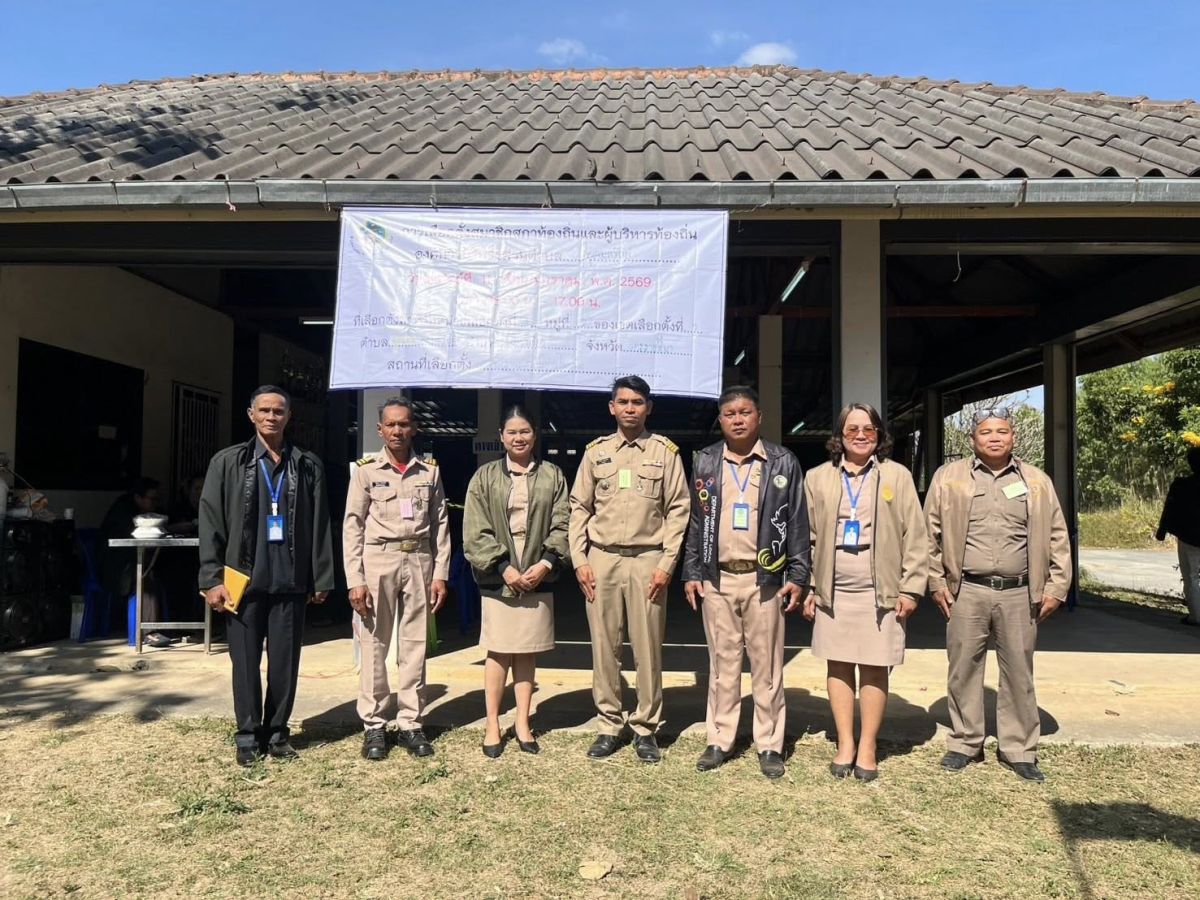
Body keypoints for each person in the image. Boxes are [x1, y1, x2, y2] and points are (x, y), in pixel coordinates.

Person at [925, 407, 1071, 783]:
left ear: (1013, 438)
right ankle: (964, 743)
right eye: (986, 432)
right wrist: (936, 582)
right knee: (963, 668)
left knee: (1019, 671)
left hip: (1019, 593)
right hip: (966, 590)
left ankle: (1019, 749)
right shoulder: (949, 478)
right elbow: (930, 535)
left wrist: (1057, 586)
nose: (994, 438)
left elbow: (1057, 535)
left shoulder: (1035, 480)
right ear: (972, 440)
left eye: (1002, 431)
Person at [199, 385, 335, 767]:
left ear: (288, 417)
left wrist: (321, 575)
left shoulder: (307, 464)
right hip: (242, 582)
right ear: (251, 414)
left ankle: (277, 734)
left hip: (290, 582)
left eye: (278, 411)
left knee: (284, 663)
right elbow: (210, 523)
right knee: (243, 663)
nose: (271, 417)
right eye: (264, 410)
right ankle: (247, 735)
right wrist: (212, 578)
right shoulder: (228, 463)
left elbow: (320, 523)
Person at [681, 386, 810, 779]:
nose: (737, 419)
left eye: (745, 412)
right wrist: (691, 571)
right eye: (729, 414)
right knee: (722, 666)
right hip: (718, 578)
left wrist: (799, 574)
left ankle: (769, 743)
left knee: (767, 666)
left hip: (764, 580)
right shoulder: (705, 462)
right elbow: (695, 522)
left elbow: (797, 522)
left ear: (759, 417)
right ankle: (720, 739)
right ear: (720, 420)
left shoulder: (782, 462)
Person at [802, 403, 927, 782]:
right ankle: (845, 743)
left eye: (868, 429)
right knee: (837, 664)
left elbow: (916, 536)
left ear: (879, 435)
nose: (860, 435)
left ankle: (868, 746)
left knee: (875, 666)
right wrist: (809, 585)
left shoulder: (897, 476)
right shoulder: (818, 477)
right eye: (852, 429)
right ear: (839, 435)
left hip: (880, 591)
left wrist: (911, 588)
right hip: (834, 589)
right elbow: (806, 538)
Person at [569, 375, 689, 762]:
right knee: (604, 646)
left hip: (648, 560)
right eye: (623, 402)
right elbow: (579, 508)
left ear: (648, 407)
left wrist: (668, 563)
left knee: (648, 647)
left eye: (638, 402)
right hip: (601, 559)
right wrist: (580, 559)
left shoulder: (665, 453)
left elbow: (678, 510)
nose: (630, 408)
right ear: (612, 408)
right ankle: (608, 724)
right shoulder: (596, 453)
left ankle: (646, 727)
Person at [344, 396, 450, 761]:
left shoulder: (429, 471)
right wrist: (355, 579)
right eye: (391, 424)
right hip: (379, 560)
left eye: (404, 424)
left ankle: (410, 722)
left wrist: (441, 574)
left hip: (419, 558)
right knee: (375, 643)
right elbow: (352, 527)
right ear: (380, 429)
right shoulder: (366, 471)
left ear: (414, 428)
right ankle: (374, 724)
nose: (398, 430)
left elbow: (440, 526)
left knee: (414, 644)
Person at [463, 405, 570, 757]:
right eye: (512, 432)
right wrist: (503, 566)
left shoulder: (553, 475)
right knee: (499, 650)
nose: (519, 438)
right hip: (499, 577)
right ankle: (493, 721)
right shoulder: (484, 477)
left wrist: (546, 562)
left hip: (538, 575)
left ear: (534, 435)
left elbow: (563, 523)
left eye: (525, 431)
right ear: (501, 436)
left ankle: (523, 720)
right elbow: (475, 530)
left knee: (527, 651)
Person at [98, 476, 168, 645]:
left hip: (130, 563)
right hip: (115, 569)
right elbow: (130, 542)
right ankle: (149, 632)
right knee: (146, 574)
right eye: (152, 499)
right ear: (138, 497)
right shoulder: (124, 513)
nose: (155, 504)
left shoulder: (140, 511)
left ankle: (176, 622)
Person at [1156, 447, 1200, 627]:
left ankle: (1196, 617)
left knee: (1192, 576)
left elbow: (1170, 508)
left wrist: (1162, 530)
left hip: (1189, 536)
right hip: (1188, 535)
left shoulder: (1181, 485)